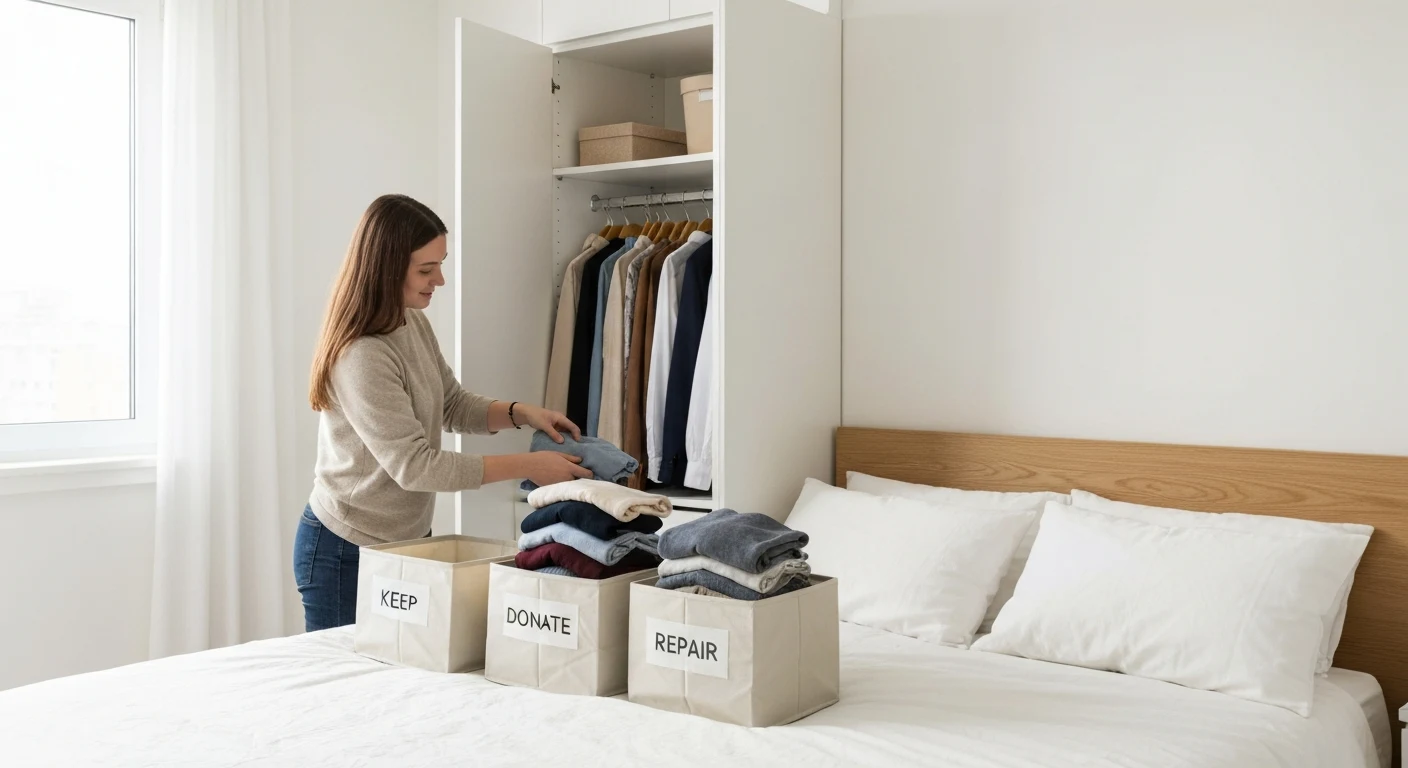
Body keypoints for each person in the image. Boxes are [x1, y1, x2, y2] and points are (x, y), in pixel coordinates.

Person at [293, 193, 591, 632]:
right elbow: (414, 467)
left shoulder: (410, 322)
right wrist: (528, 465)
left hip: (407, 542)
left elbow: (450, 403)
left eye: (441, 264)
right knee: (350, 690)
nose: (441, 280)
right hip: (346, 548)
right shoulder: (361, 355)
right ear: (386, 267)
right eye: (426, 270)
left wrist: (521, 412)